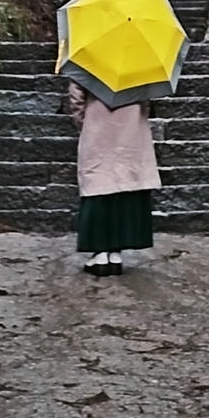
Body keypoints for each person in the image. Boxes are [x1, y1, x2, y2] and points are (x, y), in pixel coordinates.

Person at [66, 80, 160, 276]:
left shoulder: (89, 57)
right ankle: (116, 252)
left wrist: (85, 120)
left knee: (98, 186)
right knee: (126, 185)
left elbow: (77, 97)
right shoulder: (139, 64)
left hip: (98, 124)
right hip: (131, 128)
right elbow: (146, 99)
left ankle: (100, 252)